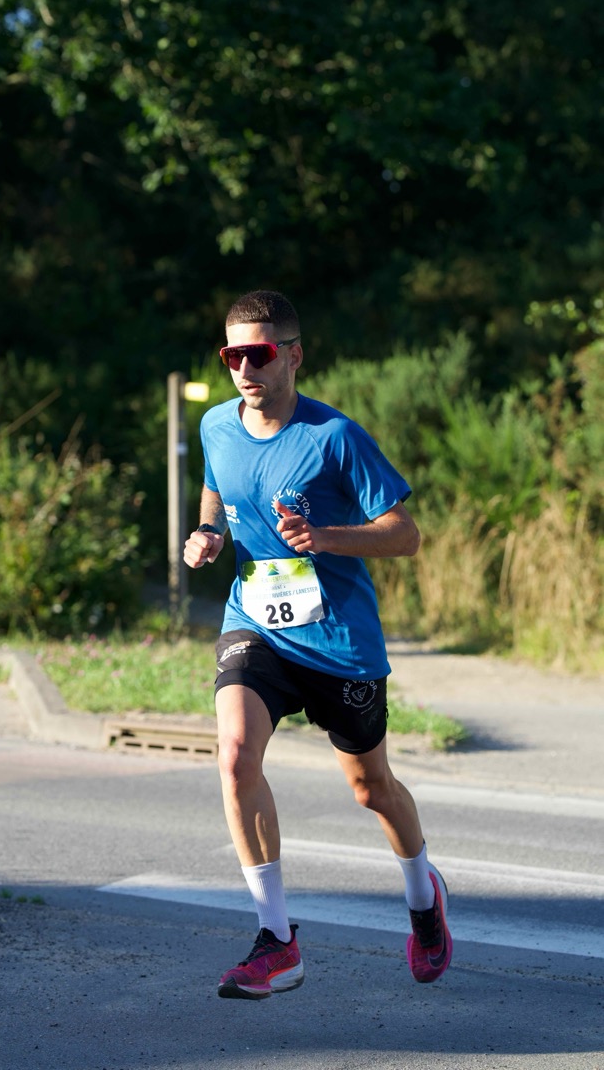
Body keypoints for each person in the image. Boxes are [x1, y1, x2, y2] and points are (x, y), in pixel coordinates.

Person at [183, 290, 451, 1000]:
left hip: (337, 640)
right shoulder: (215, 424)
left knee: (371, 788)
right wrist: (209, 532)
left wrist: (324, 537)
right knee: (235, 755)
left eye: (259, 354)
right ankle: (277, 942)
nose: (245, 368)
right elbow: (214, 486)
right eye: (232, 355)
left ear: (293, 355)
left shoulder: (335, 437)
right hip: (256, 623)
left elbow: (405, 535)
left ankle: (423, 898)